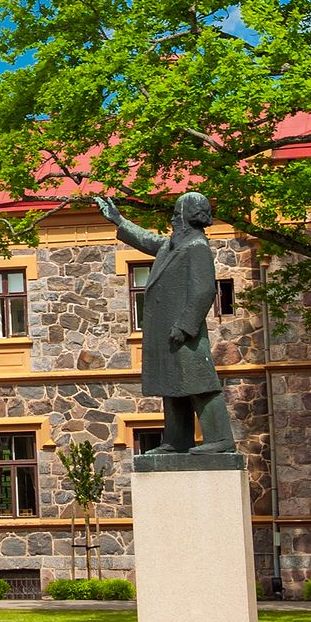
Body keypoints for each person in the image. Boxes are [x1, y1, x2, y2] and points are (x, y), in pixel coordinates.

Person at [91, 191, 235, 454]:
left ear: (183, 218)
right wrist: (118, 221)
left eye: (174, 215)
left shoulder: (196, 247)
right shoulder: (174, 246)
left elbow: (204, 291)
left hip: (183, 332)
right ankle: (178, 440)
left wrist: (185, 325)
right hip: (169, 332)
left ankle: (220, 439)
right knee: (174, 386)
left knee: (200, 384)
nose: (171, 221)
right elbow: (147, 240)